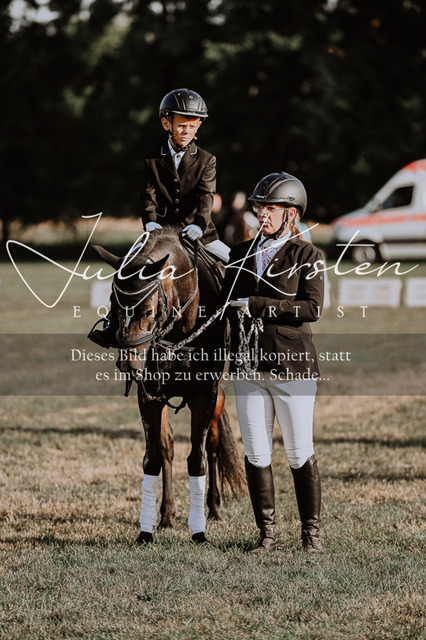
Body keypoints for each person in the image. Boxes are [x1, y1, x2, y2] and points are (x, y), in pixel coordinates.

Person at [222, 171, 325, 555]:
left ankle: (311, 536)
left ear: (291, 213)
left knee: (298, 451)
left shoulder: (308, 256)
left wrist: (259, 305)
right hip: (249, 366)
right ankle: (267, 536)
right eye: (260, 207)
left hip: (291, 366)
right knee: (256, 453)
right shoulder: (239, 255)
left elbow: (312, 308)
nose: (262, 214)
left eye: (271, 208)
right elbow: (224, 307)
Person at [89, 88, 229, 349]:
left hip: (200, 233)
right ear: (167, 124)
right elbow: (148, 196)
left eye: (192, 126)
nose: (187, 131)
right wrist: (150, 221)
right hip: (160, 234)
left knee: (233, 267)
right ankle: (111, 325)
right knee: (126, 269)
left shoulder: (207, 160)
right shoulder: (152, 159)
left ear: (198, 127)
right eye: (181, 125)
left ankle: (236, 329)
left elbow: (206, 197)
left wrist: (199, 225)